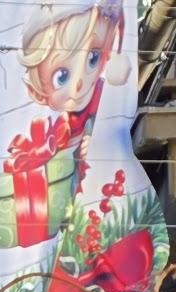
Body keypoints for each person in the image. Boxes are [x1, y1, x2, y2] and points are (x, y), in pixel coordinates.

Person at [19, 2, 131, 170]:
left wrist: (94, 140)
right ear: (37, 93)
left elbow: (110, 127)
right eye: (61, 76)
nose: (79, 82)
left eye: (93, 58)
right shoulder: (47, 129)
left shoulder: (101, 97)